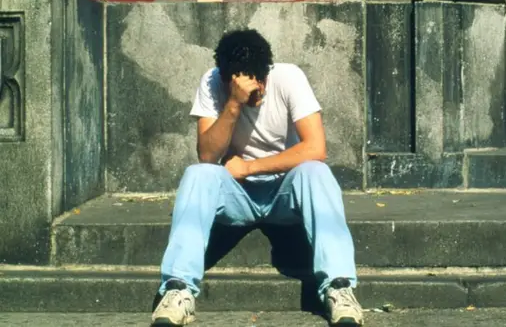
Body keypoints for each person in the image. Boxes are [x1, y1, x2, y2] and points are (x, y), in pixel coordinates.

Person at [150, 29, 363, 327]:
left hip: (284, 192)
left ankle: (339, 287)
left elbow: (316, 147)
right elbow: (208, 157)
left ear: (267, 72)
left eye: (259, 82)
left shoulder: (289, 77)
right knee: (197, 175)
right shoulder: (212, 83)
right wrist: (234, 104)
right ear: (226, 79)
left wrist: (250, 167)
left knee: (316, 171)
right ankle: (178, 290)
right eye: (242, 83)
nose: (255, 91)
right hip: (236, 195)